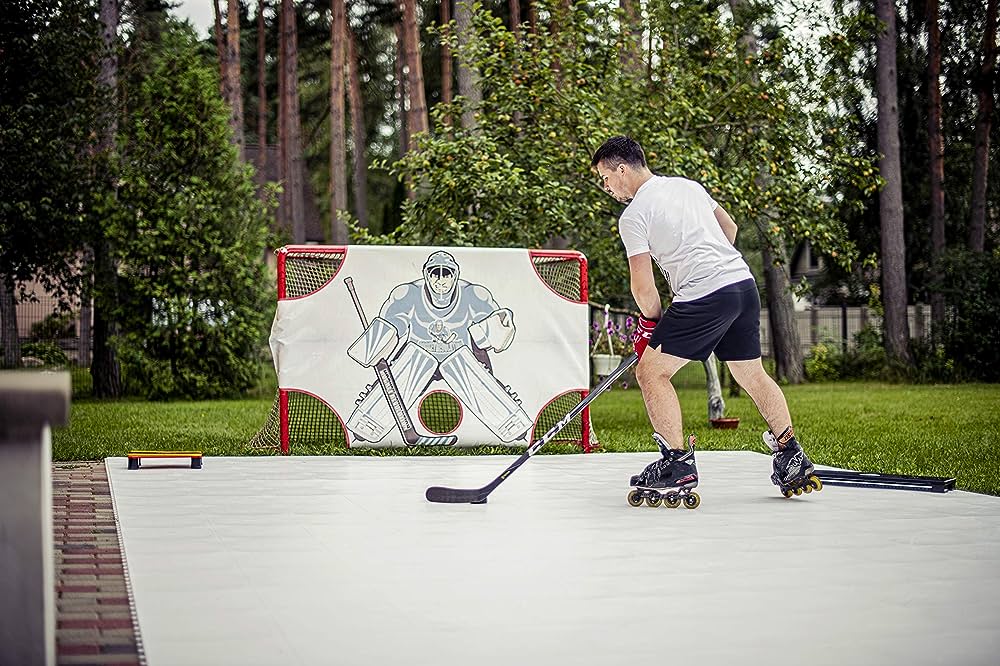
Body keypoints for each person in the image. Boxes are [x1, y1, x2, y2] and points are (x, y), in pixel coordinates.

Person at [590, 135, 822, 500]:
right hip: (742, 285)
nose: (605, 186)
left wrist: (649, 324)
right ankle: (791, 454)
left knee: (651, 371)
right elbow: (729, 230)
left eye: (605, 177)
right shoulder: (688, 187)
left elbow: (643, 288)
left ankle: (677, 464)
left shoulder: (633, 216)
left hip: (705, 293)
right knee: (750, 373)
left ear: (622, 170)